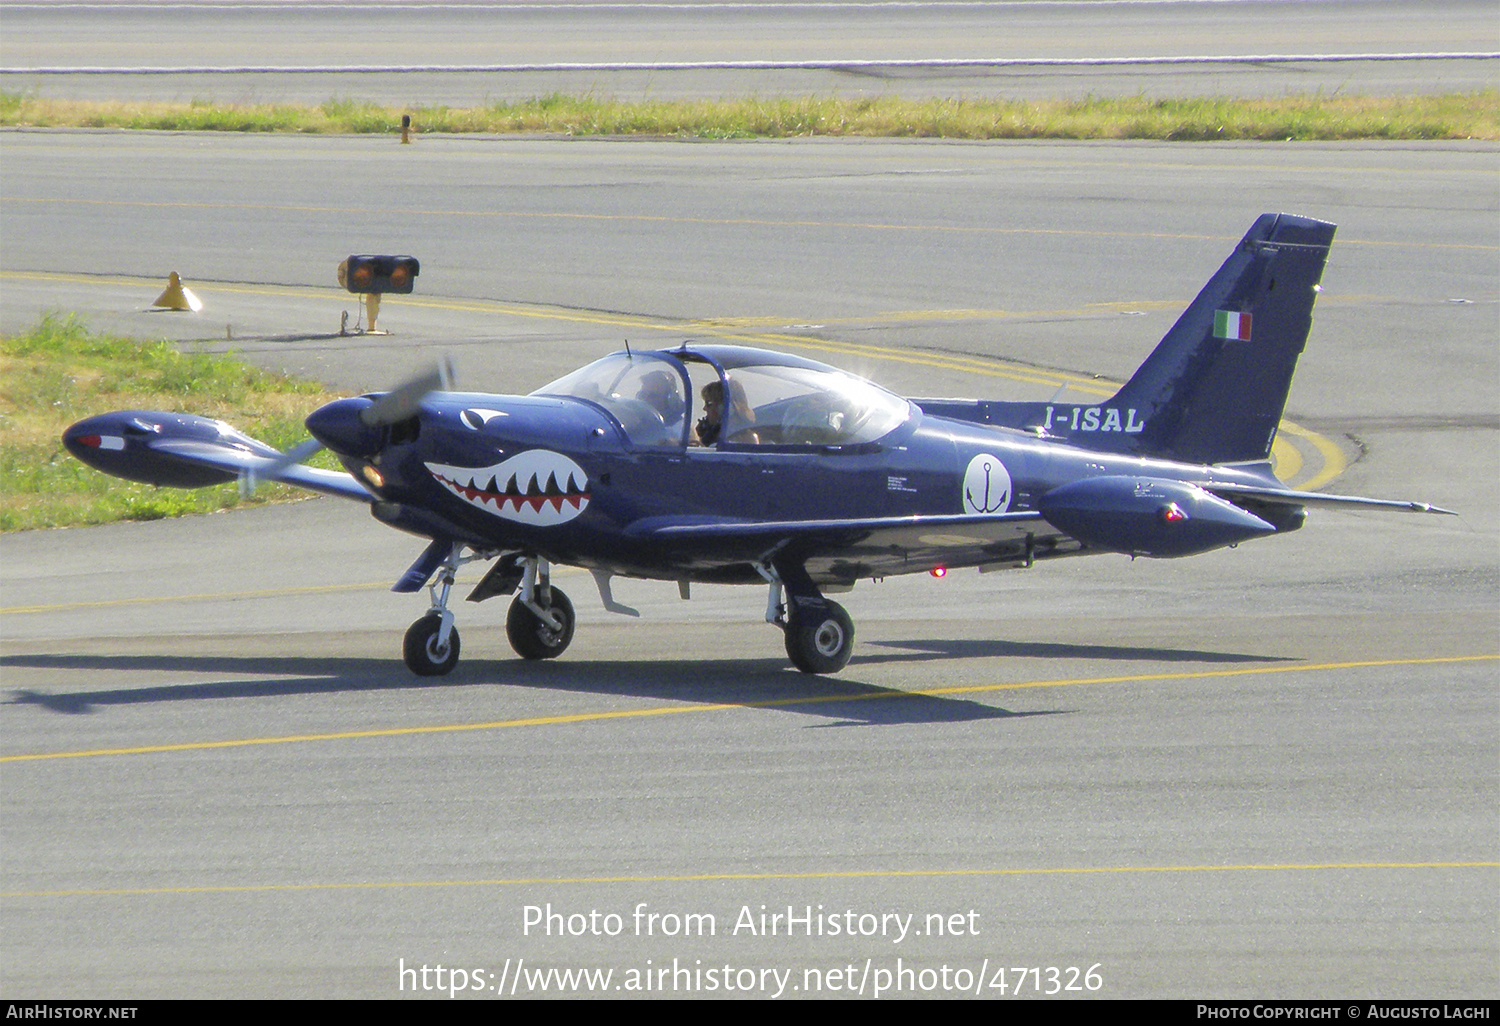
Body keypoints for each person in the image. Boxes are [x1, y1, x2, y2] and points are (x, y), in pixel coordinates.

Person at [696, 378, 757, 446]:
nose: (704, 408)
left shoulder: (746, 439)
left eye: (709, 403)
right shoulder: (706, 432)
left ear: (726, 408)